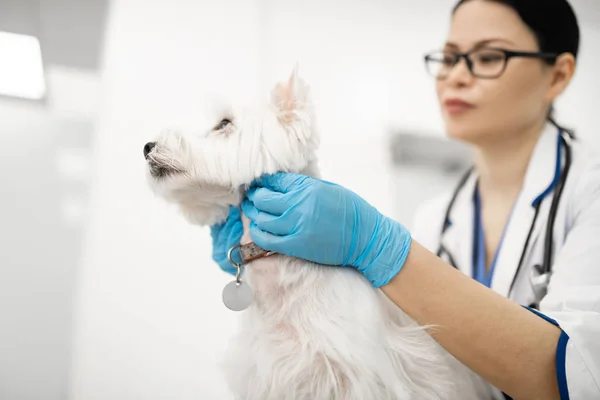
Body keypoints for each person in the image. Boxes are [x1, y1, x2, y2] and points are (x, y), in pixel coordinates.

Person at [210, 0, 600, 399]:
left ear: (558, 75)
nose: (456, 77)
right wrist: (278, 266)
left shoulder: (591, 190)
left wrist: (375, 246)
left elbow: (581, 375)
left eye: (488, 57)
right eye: (448, 58)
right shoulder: (438, 215)